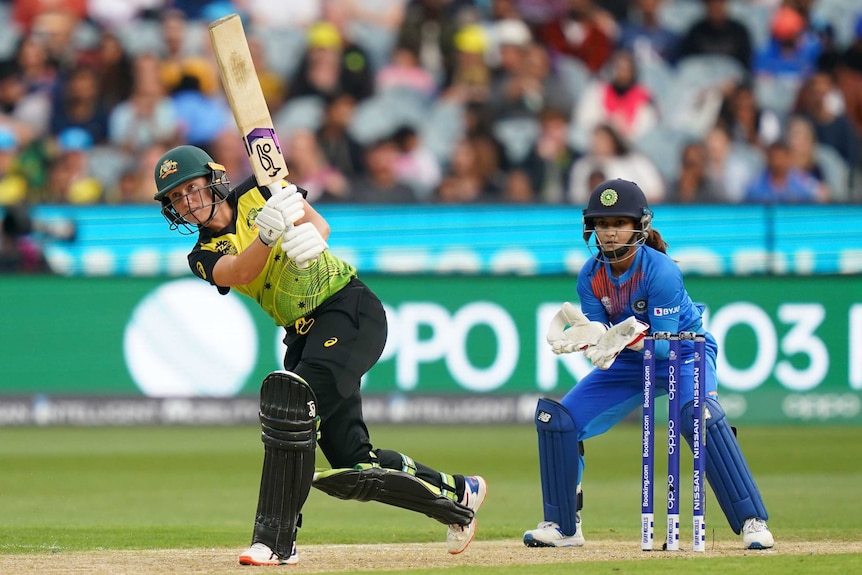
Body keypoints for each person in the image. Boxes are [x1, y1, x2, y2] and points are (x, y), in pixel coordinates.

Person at [152, 144, 486, 566]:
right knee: (355, 463)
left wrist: (303, 231)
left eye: (191, 189)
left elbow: (320, 228)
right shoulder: (200, 255)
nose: (186, 203)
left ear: (213, 179)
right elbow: (239, 272)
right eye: (176, 198)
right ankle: (458, 496)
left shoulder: (260, 187)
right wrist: (268, 237)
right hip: (303, 336)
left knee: (290, 407)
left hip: (347, 309)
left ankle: (275, 539)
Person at [523, 178, 774, 550]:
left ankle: (752, 521)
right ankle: (563, 526)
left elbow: (662, 349)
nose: (609, 234)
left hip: (684, 352)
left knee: (699, 417)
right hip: (629, 361)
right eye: (602, 225)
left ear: (639, 226)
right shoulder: (590, 276)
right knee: (559, 421)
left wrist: (617, 337)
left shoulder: (661, 272)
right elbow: (603, 334)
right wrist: (591, 338)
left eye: (618, 224)